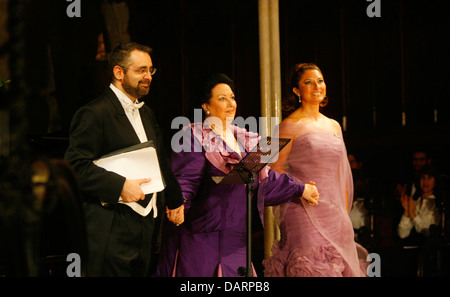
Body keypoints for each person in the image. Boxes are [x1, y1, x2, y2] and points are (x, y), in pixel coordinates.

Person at [156, 73, 319, 277]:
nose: (230, 103)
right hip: (203, 241)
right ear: (206, 105)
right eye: (222, 98)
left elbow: (264, 182)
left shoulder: (243, 139)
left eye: (232, 97)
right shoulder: (193, 136)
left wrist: (301, 188)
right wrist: (179, 204)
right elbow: (185, 179)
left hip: (237, 241)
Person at [64, 42, 184, 277]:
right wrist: (120, 186)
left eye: (150, 70)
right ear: (119, 73)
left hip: (146, 224)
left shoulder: (146, 113)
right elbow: (74, 167)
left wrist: (174, 199)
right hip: (111, 226)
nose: (148, 76)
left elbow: (158, 158)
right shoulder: (94, 113)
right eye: (141, 70)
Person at [263, 63, 368, 277]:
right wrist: (299, 189)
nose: (316, 86)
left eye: (320, 81)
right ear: (296, 90)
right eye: (308, 82)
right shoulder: (287, 127)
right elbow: (273, 173)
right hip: (302, 210)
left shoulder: (334, 126)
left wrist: (343, 214)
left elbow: (340, 173)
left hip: (334, 212)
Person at [397, 164, 441, 245]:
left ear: (435, 181)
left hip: (430, 249)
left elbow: (428, 233)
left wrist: (413, 215)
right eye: (423, 178)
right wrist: (407, 212)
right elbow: (402, 234)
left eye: (429, 178)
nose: (425, 182)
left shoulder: (437, 204)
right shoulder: (415, 202)